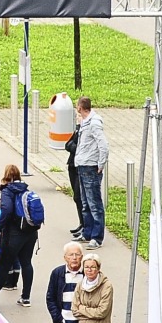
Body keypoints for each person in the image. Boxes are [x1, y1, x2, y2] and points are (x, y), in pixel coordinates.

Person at [0, 165, 41, 306]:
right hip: (31, 233)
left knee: (4, 264)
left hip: (14, 235)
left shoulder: (7, 191)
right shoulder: (25, 189)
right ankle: (26, 297)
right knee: (27, 263)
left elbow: (7, 209)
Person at [67, 97, 107, 243]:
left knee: (94, 203)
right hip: (82, 165)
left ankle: (97, 236)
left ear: (80, 107)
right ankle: (87, 232)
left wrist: (101, 163)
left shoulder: (94, 123)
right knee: (85, 203)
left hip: (91, 167)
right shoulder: (84, 122)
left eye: (77, 105)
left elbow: (103, 145)